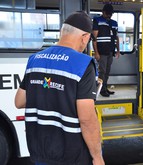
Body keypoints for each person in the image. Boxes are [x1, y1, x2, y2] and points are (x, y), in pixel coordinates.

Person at [14, 11, 105, 165]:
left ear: (62, 32)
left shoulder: (34, 59)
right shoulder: (83, 64)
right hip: (71, 155)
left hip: (40, 151)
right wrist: (97, 157)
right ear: (85, 37)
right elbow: (87, 120)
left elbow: (19, 102)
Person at [92, 4, 120, 97]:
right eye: (107, 13)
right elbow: (94, 38)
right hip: (101, 51)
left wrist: (118, 50)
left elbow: (116, 37)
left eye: (110, 14)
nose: (109, 16)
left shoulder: (114, 23)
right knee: (102, 72)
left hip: (110, 51)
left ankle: (104, 87)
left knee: (107, 71)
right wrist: (96, 52)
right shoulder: (97, 21)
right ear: (103, 12)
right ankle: (100, 90)